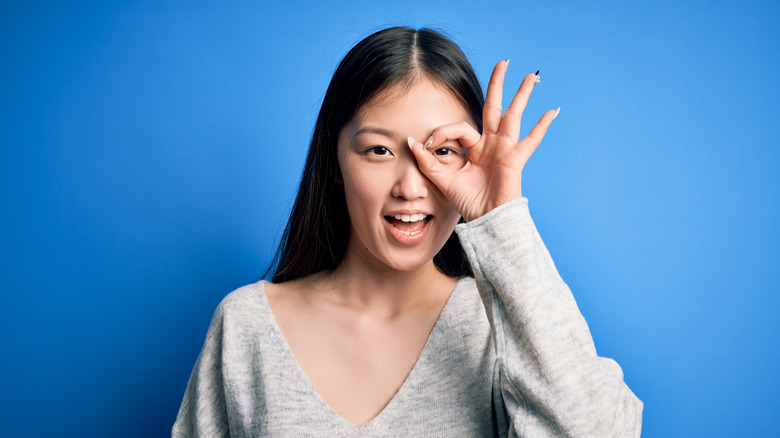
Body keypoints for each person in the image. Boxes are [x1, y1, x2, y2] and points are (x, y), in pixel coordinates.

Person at [173, 27, 643, 437]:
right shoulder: (246, 327)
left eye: (443, 151)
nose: (410, 187)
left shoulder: (499, 329)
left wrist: (501, 217)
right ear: (336, 161)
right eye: (378, 150)